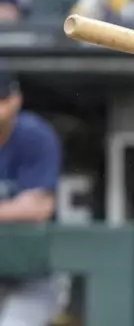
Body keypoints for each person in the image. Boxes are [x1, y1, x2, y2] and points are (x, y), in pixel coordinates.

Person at [0, 72, 64, 325]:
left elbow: (39, 208)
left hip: (35, 274)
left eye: (2, 98)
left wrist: (22, 209)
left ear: (17, 99)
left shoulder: (34, 135)